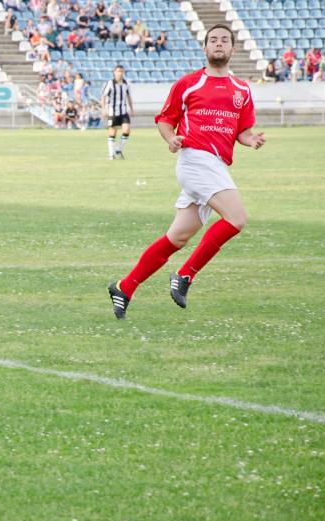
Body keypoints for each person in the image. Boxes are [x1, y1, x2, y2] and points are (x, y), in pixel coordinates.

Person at [108, 24, 265, 319]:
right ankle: (185, 275)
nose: (219, 44)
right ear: (205, 48)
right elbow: (165, 120)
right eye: (213, 40)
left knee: (177, 238)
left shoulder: (242, 89)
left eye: (224, 40)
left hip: (215, 166)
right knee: (237, 218)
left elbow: (241, 131)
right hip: (195, 161)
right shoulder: (188, 83)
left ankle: (124, 287)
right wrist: (171, 139)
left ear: (232, 49)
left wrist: (251, 139)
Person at [101, 64, 133, 160]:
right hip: (112, 112)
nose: (120, 73)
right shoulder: (110, 83)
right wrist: (103, 109)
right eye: (118, 71)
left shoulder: (126, 83)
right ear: (114, 72)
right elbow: (103, 96)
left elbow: (128, 96)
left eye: (121, 71)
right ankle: (111, 154)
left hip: (123, 111)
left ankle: (119, 149)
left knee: (126, 129)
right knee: (112, 132)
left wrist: (132, 109)